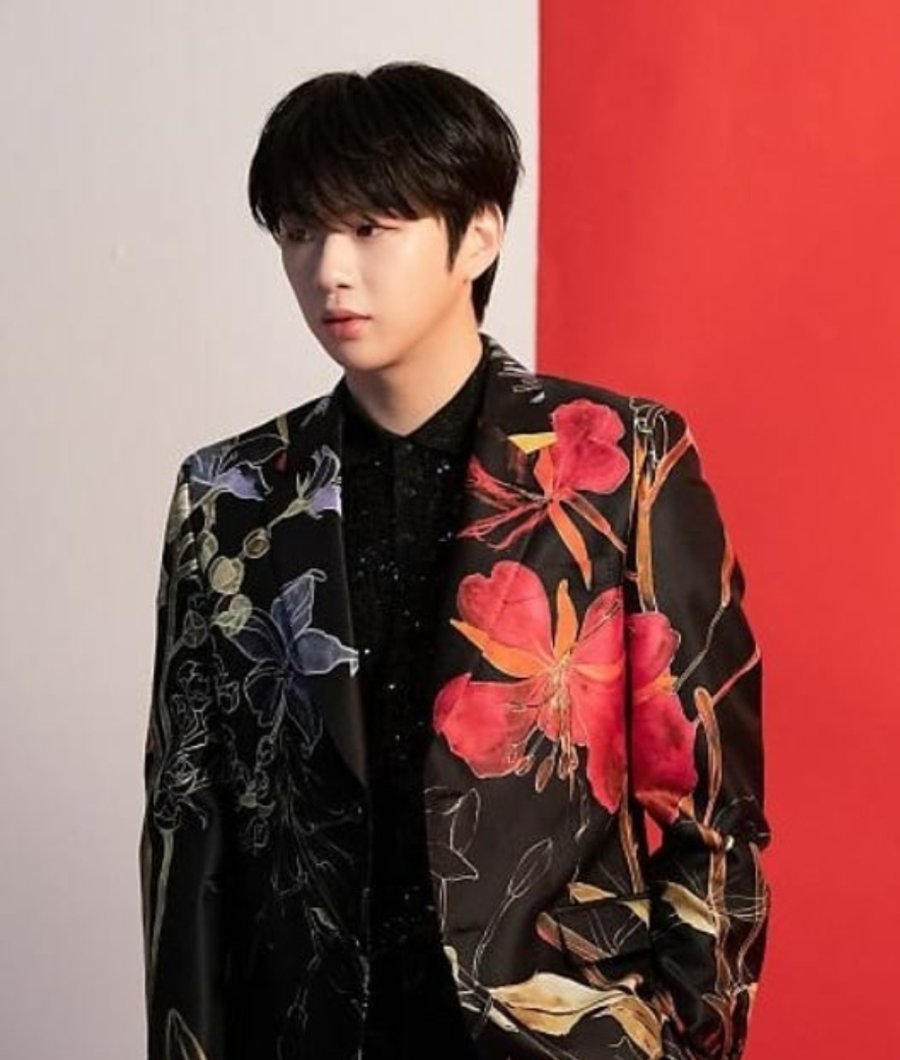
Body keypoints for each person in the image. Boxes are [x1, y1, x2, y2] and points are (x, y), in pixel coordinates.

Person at [140, 61, 770, 1060]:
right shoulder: (230, 495)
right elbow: (188, 829)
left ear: (478, 234)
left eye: (370, 228)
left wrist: (687, 1043)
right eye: (300, 231)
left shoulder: (622, 461)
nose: (329, 269)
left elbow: (713, 813)